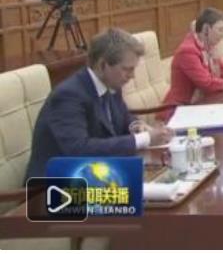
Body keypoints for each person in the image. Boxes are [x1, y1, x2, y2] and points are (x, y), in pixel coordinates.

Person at [25, 28, 172, 180]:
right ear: (102, 65)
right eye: (127, 69)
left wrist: (138, 126)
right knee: (145, 190)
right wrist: (145, 138)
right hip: (57, 184)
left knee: (168, 177)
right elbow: (80, 150)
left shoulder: (111, 84)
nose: (132, 76)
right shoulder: (68, 96)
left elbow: (124, 117)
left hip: (95, 174)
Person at [161, 8, 223, 119]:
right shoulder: (188, 51)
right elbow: (207, 83)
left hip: (203, 104)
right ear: (206, 29)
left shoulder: (208, 46)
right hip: (179, 110)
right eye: (220, 30)